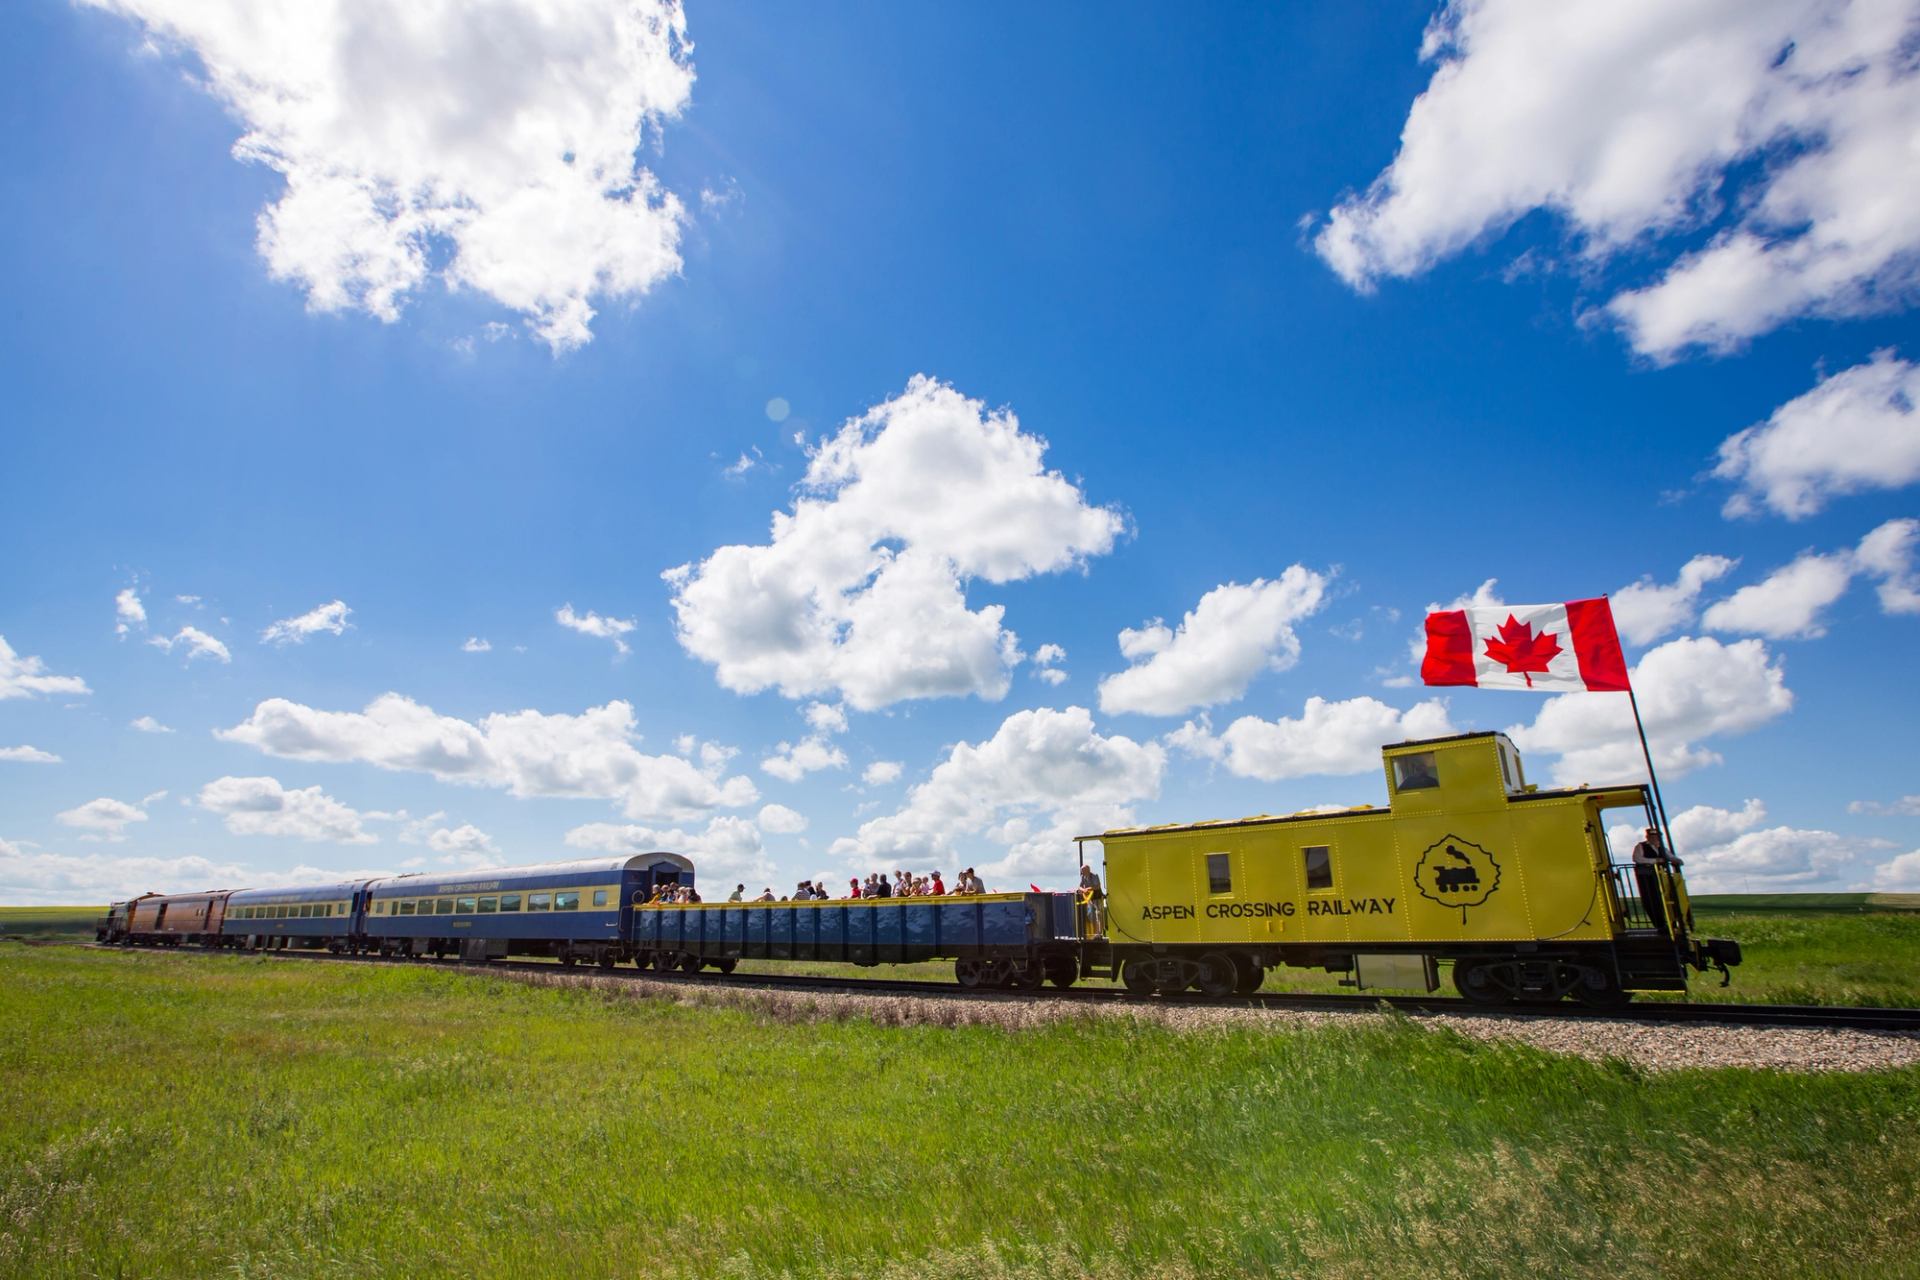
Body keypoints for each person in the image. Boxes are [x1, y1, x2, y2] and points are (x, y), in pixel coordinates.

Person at [1631, 827, 1680, 935]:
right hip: (1646, 877)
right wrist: (1656, 860)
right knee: (1651, 900)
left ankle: (1669, 923)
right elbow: (1637, 859)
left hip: (1659, 877)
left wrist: (1677, 861)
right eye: (1652, 837)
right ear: (1647, 837)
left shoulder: (1662, 848)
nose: (1655, 838)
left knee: (1663, 899)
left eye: (1657, 837)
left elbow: (1670, 857)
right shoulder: (1640, 846)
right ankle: (1660, 925)